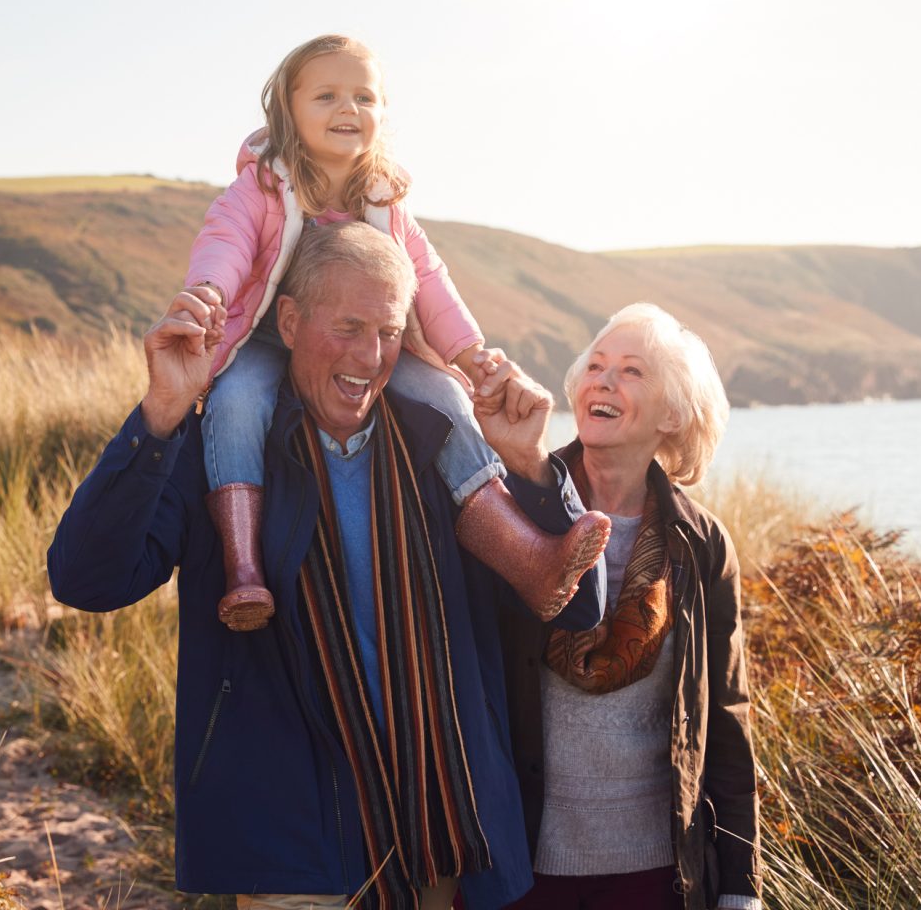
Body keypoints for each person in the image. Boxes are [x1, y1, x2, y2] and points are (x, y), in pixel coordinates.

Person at [48, 222, 606, 910]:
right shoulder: (223, 455)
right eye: (347, 328)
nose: (371, 357)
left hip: (442, 834)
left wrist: (529, 465)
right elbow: (87, 580)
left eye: (389, 332)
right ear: (288, 320)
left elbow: (577, 611)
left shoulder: (444, 449)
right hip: (290, 845)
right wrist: (162, 412)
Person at [181, 33, 606, 631]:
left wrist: (468, 351)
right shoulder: (264, 188)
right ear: (287, 107)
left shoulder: (385, 203)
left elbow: (427, 278)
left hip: (371, 341)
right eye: (326, 95)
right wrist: (209, 293)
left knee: (447, 397)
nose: (348, 109)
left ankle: (528, 557)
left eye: (365, 97)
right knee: (236, 403)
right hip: (267, 337)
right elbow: (225, 243)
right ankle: (244, 568)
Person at [485, 303, 762, 910]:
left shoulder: (702, 545)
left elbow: (727, 717)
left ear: (672, 414)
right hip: (517, 868)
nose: (603, 381)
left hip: (657, 874)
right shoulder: (510, 506)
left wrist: (741, 885)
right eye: (596, 367)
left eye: (632, 371)